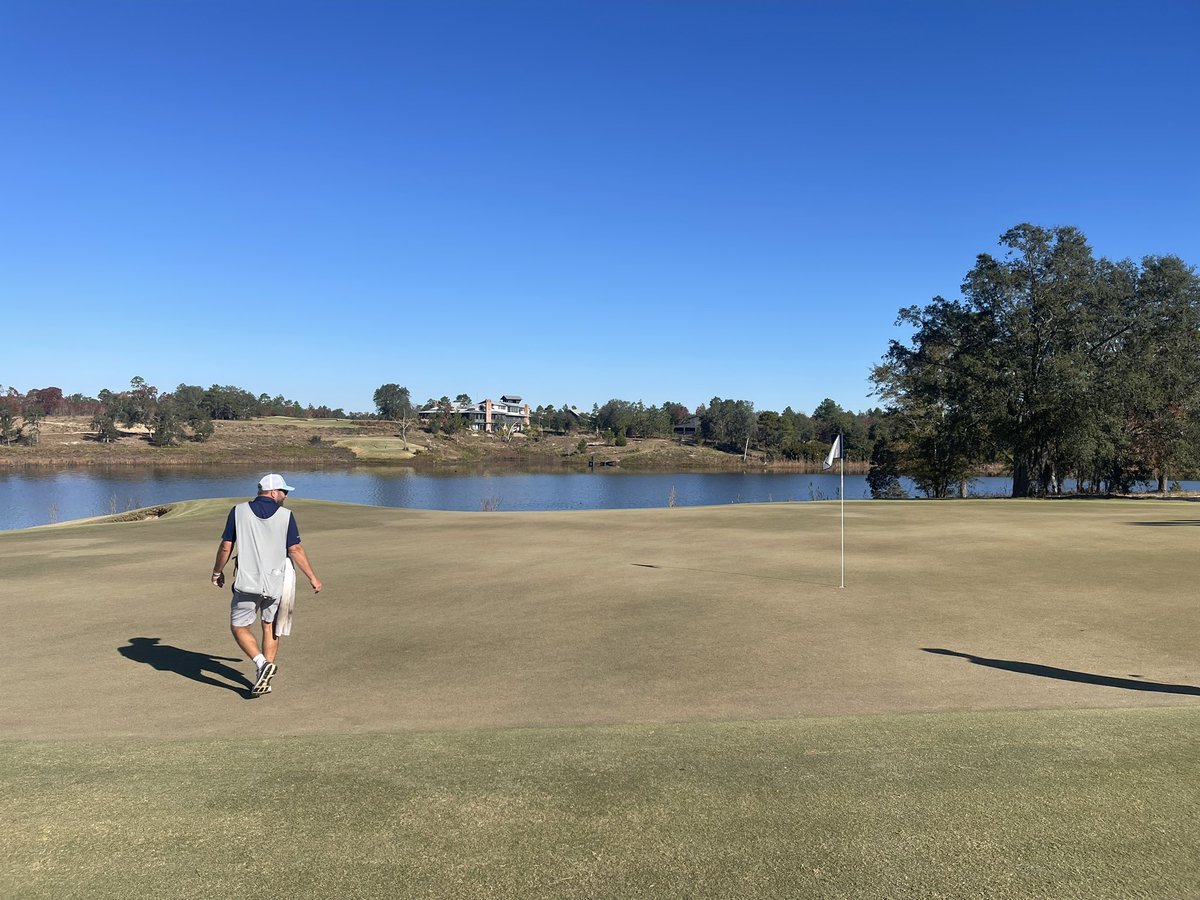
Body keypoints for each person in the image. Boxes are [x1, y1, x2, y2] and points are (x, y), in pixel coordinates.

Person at [210, 473, 322, 696]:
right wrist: (312, 577)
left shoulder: (238, 511)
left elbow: (226, 546)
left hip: (247, 583)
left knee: (239, 626)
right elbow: (295, 549)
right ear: (273, 492)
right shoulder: (286, 516)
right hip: (275, 584)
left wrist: (217, 572)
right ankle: (265, 677)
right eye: (284, 492)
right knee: (269, 626)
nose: (285, 496)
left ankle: (261, 665)